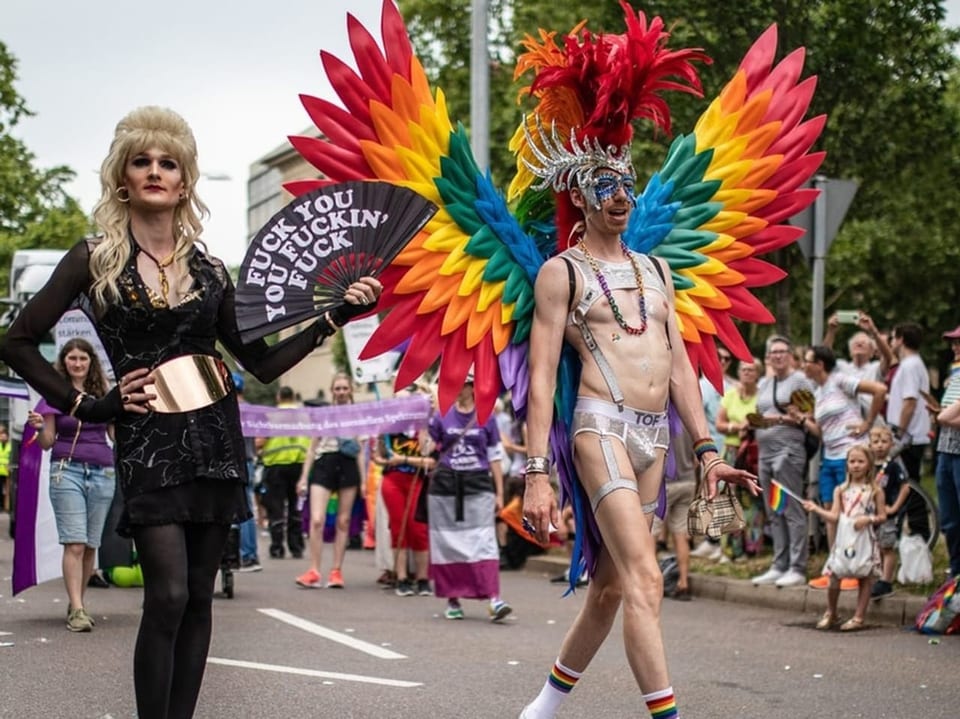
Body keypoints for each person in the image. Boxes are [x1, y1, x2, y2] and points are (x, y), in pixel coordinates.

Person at [0, 106, 381, 719]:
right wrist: (91, 405)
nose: (155, 171)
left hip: (215, 438)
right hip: (149, 441)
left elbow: (260, 363)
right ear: (123, 178)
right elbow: (16, 340)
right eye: (142, 161)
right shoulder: (93, 258)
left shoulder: (208, 267)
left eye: (167, 163)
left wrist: (333, 317)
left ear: (184, 181)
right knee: (169, 595)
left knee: (200, 598)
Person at [520, 137, 759, 719]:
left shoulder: (656, 270)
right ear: (579, 196)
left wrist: (706, 452)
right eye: (606, 184)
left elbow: (680, 365)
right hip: (599, 430)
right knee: (648, 577)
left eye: (627, 182)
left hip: (655, 438)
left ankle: (545, 706)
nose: (621, 195)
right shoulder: (561, 274)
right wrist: (536, 473)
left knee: (614, 586)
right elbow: (543, 378)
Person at [26, 338, 115, 632]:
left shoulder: (105, 394)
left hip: (103, 472)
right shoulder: (54, 395)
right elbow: (48, 442)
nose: (77, 363)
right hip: (66, 471)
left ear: (91, 362)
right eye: (72, 358)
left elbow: (115, 437)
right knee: (74, 542)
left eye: (82, 358)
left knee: (91, 545)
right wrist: (39, 428)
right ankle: (76, 608)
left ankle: (79, 601)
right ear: (63, 362)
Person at [424, 377, 512, 621]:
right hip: (445, 486)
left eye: (463, 382)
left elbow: (495, 456)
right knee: (448, 544)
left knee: (484, 542)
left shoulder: (487, 417)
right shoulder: (441, 415)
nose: (456, 385)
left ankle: (494, 597)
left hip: (478, 483)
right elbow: (426, 448)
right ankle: (453, 599)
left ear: (473, 388)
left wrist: (499, 493)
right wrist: (426, 418)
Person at [796, 345, 887, 550]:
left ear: (820, 365)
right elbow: (821, 432)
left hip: (851, 454)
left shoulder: (839, 380)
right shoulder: (817, 392)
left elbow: (879, 390)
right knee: (831, 511)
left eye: (807, 361)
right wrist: (801, 419)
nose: (803, 366)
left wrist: (868, 423)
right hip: (829, 457)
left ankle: (858, 562)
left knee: (854, 510)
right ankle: (836, 564)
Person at [750, 335, 817, 588]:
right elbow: (760, 413)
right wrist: (758, 421)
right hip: (765, 453)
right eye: (773, 352)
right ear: (768, 358)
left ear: (790, 355)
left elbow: (808, 417)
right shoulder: (766, 383)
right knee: (773, 510)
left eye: (781, 351)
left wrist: (778, 420)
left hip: (788, 452)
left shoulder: (799, 381)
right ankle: (779, 564)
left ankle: (797, 567)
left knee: (791, 509)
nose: (777, 356)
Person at [802, 444, 885, 631]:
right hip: (844, 536)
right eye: (852, 461)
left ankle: (859, 616)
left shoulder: (875, 491)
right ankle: (831, 612)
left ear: (869, 464)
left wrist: (869, 519)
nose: (856, 465)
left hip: (864, 538)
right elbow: (835, 516)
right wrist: (816, 509)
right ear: (846, 464)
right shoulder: (840, 490)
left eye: (860, 461)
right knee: (835, 574)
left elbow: (882, 516)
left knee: (865, 576)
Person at [296, 373, 365, 589]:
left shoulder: (359, 415)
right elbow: (312, 448)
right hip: (324, 464)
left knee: (343, 521)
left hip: (347, 464)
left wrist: (363, 481)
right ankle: (314, 569)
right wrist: (303, 478)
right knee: (317, 519)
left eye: (345, 388)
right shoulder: (324, 414)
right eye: (338, 388)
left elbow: (361, 451)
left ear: (351, 390)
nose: (342, 392)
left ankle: (336, 570)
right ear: (332, 391)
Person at [373, 388, 435, 597]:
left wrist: (406, 459)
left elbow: (430, 459)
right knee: (399, 528)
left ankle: (423, 578)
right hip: (393, 481)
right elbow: (378, 458)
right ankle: (401, 578)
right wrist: (382, 442)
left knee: (418, 529)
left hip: (416, 481)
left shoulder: (422, 427)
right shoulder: (389, 428)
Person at [886, 323, 932, 541]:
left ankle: (919, 533)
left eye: (893, 338)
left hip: (909, 437)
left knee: (910, 486)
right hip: (911, 435)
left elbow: (910, 401)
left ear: (901, 339)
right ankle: (917, 532)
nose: (892, 343)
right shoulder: (912, 364)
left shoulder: (910, 365)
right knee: (910, 484)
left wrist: (898, 431)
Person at [716, 356, 763, 558]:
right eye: (743, 368)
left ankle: (752, 547)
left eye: (751, 369)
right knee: (728, 497)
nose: (746, 372)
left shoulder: (762, 397)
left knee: (751, 499)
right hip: (731, 451)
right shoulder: (730, 395)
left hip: (752, 453)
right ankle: (730, 549)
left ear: (758, 374)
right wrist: (737, 427)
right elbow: (720, 424)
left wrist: (751, 425)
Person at [256, 386, 309, 560]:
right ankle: (296, 547)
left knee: (276, 509)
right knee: (295, 508)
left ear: (279, 397)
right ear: (293, 397)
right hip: (299, 465)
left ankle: (277, 548)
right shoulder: (303, 415)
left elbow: (260, 442)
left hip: (276, 466)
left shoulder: (271, 415)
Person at [821, 311, 894, 416]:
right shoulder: (841, 366)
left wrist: (873, 331)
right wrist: (831, 331)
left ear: (872, 352)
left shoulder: (875, 367)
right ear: (850, 352)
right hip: (844, 417)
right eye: (856, 343)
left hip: (869, 418)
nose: (859, 343)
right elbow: (824, 357)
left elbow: (888, 358)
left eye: (863, 343)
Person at [652, 429, 697, 600]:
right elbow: (696, 460)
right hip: (687, 481)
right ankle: (683, 582)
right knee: (681, 534)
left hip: (664, 483)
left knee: (652, 533)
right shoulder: (688, 423)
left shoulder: (662, 420)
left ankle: (652, 582)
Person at [868, 425, 910, 599]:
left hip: (888, 514)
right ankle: (876, 576)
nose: (880, 445)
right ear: (869, 445)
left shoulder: (892, 466)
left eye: (884, 442)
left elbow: (905, 487)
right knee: (875, 545)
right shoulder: (868, 466)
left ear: (891, 444)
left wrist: (894, 507)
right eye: (875, 442)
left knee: (887, 546)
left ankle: (886, 581)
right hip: (871, 514)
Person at [935, 324, 960, 579]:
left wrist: (945, 419)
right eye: (953, 343)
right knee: (950, 519)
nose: (954, 347)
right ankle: (956, 571)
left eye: (958, 343)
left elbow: (947, 415)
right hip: (946, 450)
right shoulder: (955, 375)